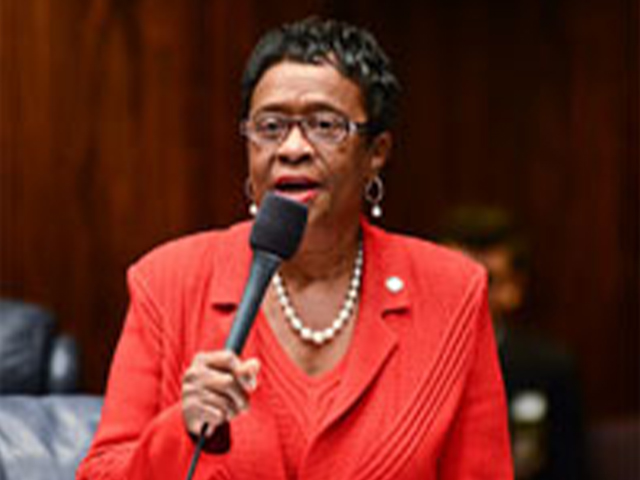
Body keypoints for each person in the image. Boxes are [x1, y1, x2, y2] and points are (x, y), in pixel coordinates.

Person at [77, 18, 512, 479]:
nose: (292, 147)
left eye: (325, 125)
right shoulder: (168, 282)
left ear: (376, 151)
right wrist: (181, 429)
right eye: (270, 126)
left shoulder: (452, 291)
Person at [439, 206, 586, 480]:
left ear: (513, 288)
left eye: (486, 280)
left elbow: (570, 470)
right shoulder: (407, 363)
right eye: (455, 276)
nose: (467, 293)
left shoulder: (549, 368)